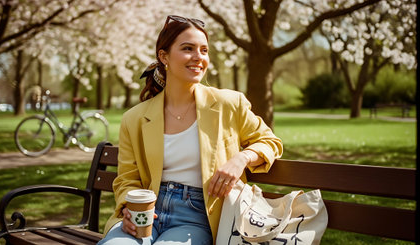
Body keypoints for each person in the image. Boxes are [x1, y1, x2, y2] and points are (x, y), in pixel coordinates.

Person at [98, 15, 283, 245]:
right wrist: (129, 207)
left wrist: (242, 158)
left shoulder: (229, 104)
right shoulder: (134, 118)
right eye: (188, 48)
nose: (198, 57)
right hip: (146, 212)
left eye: (204, 50)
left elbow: (270, 142)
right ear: (163, 56)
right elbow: (126, 179)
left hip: (196, 217)